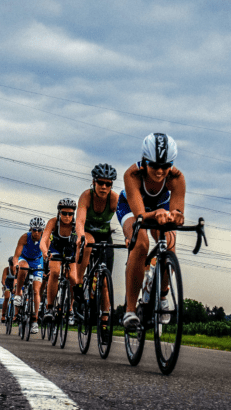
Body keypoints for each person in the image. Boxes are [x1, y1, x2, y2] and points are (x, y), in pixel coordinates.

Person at [116, 133, 186, 331]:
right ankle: (130, 310)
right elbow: (140, 216)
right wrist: (159, 213)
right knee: (140, 242)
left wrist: (177, 216)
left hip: (159, 207)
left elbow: (176, 211)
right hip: (131, 208)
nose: (160, 171)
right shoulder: (133, 174)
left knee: (169, 243)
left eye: (166, 166)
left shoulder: (177, 178)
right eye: (154, 165)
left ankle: (162, 293)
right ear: (145, 161)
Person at [74, 163, 119, 318]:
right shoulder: (87, 196)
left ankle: (105, 319)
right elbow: (79, 221)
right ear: (94, 182)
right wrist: (80, 235)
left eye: (108, 184)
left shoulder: (114, 199)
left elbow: (126, 219)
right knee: (87, 243)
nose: (104, 187)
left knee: (105, 283)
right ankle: (79, 283)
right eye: (100, 182)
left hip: (105, 236)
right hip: (87, 233)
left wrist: (130, 236)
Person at [40, 198, 80, 324]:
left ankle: (71, 308)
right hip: (55, 249)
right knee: (55, 272)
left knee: (73, 278)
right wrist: (45, 252)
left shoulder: (76, 224)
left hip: (71, 251)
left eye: (70, 214)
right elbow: (43, 239)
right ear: (59, 213)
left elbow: (81, 241)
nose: (67, 216)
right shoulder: (53, 222)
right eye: (64, 213)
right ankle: (49, 308)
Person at [13, 217, 46, 334]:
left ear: (42, 231)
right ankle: (18, 294)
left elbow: (47, 253)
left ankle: (35, 320)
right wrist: (16, 264)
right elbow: (16, 256)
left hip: (37, 261)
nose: (36, 232)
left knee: (37, 291)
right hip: (24, 258)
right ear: (30, 229)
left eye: (39, 230)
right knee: (23, 267)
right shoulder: (24, 237)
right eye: (34, 230)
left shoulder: (45, 239)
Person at [0, 256, 16, 323]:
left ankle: (16, 315)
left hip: (15, 284)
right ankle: (3, 315)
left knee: (17, 298)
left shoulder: (18, 270)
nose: (12, 267)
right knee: (6, 297)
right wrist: (4, 286)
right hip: (7, 284)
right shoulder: (6, 269)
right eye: (11, 265)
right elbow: (3, 280)